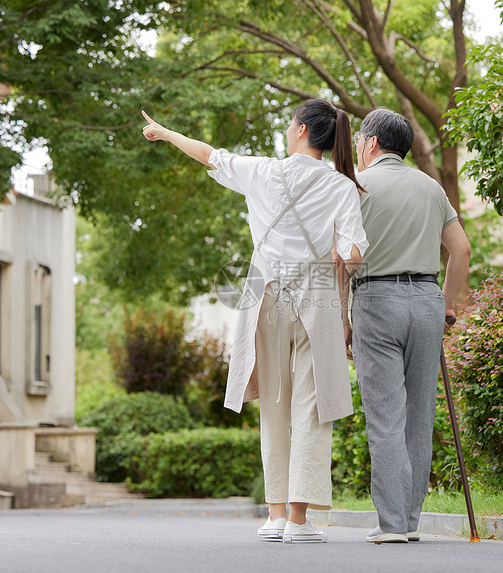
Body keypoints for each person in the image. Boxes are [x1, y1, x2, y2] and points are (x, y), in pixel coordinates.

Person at [140, 100, 368, 544]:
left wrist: (166, 134)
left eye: (289, 124)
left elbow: (209, 155)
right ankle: (300, 521)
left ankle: (276, 516)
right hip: (316, 297)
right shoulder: (342, 186)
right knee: (311, 404)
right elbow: (353, 253)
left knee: (275, 404)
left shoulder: (264, 171)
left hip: (263, 294)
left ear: (301, 129)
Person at [342, 108, 471, 543]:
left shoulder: (355, 186)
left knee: (385, 417)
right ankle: (410, 522)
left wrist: (344, 318)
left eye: (360, 140)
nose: (358, 148)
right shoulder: (430, 186)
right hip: (428, 299)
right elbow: (461, 249)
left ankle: (392, 525)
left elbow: (345, 259)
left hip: (376, 300)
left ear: (372, 143)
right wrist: (449, 306)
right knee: (419, 416)